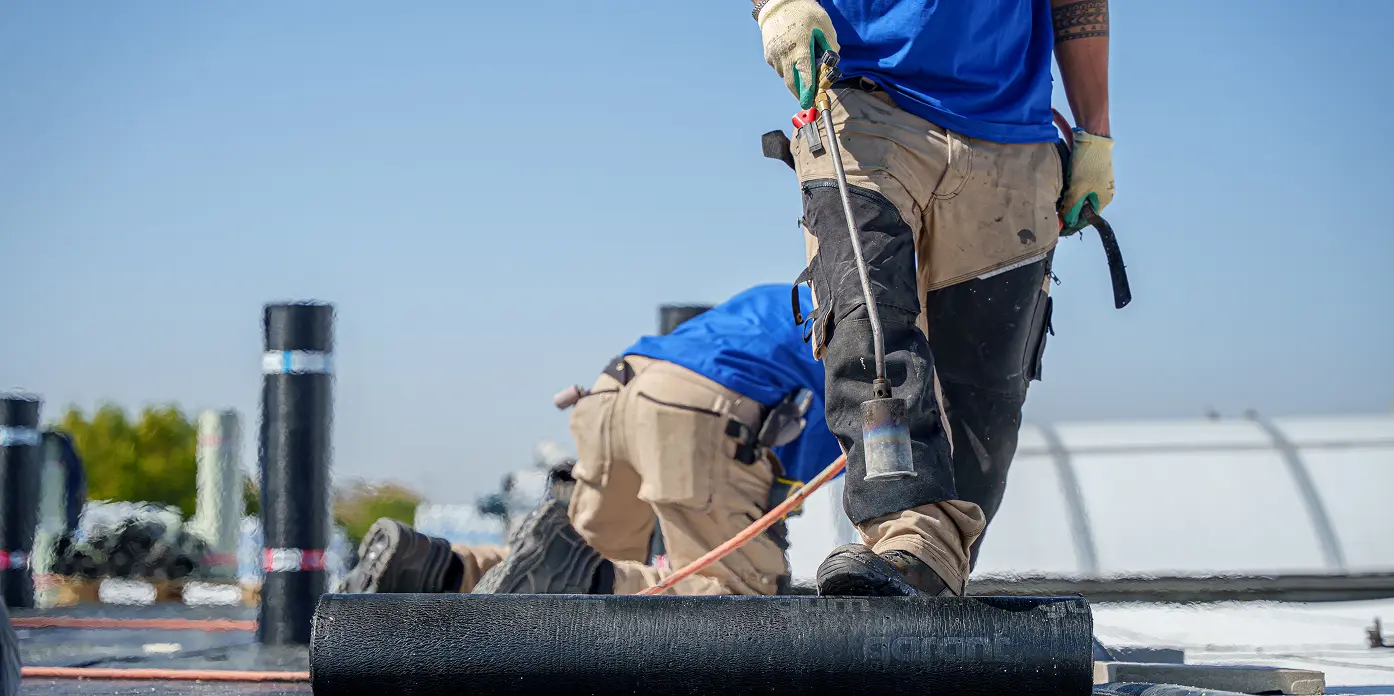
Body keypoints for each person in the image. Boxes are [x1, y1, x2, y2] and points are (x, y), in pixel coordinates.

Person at [753, 0, 1115, 597]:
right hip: (867, 106)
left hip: (1013, 138)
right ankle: (904, 531)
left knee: (986, 393)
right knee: (868, 321)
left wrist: (1094, 132)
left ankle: (934, 566)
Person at [338, 284, 841, 598]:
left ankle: (434, 567)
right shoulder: (885, 338)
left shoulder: (803, 295)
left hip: (613, 390)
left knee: (587, 558)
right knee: (737, 602)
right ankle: (579, 584)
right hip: (700, 405)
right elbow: (826, 462)